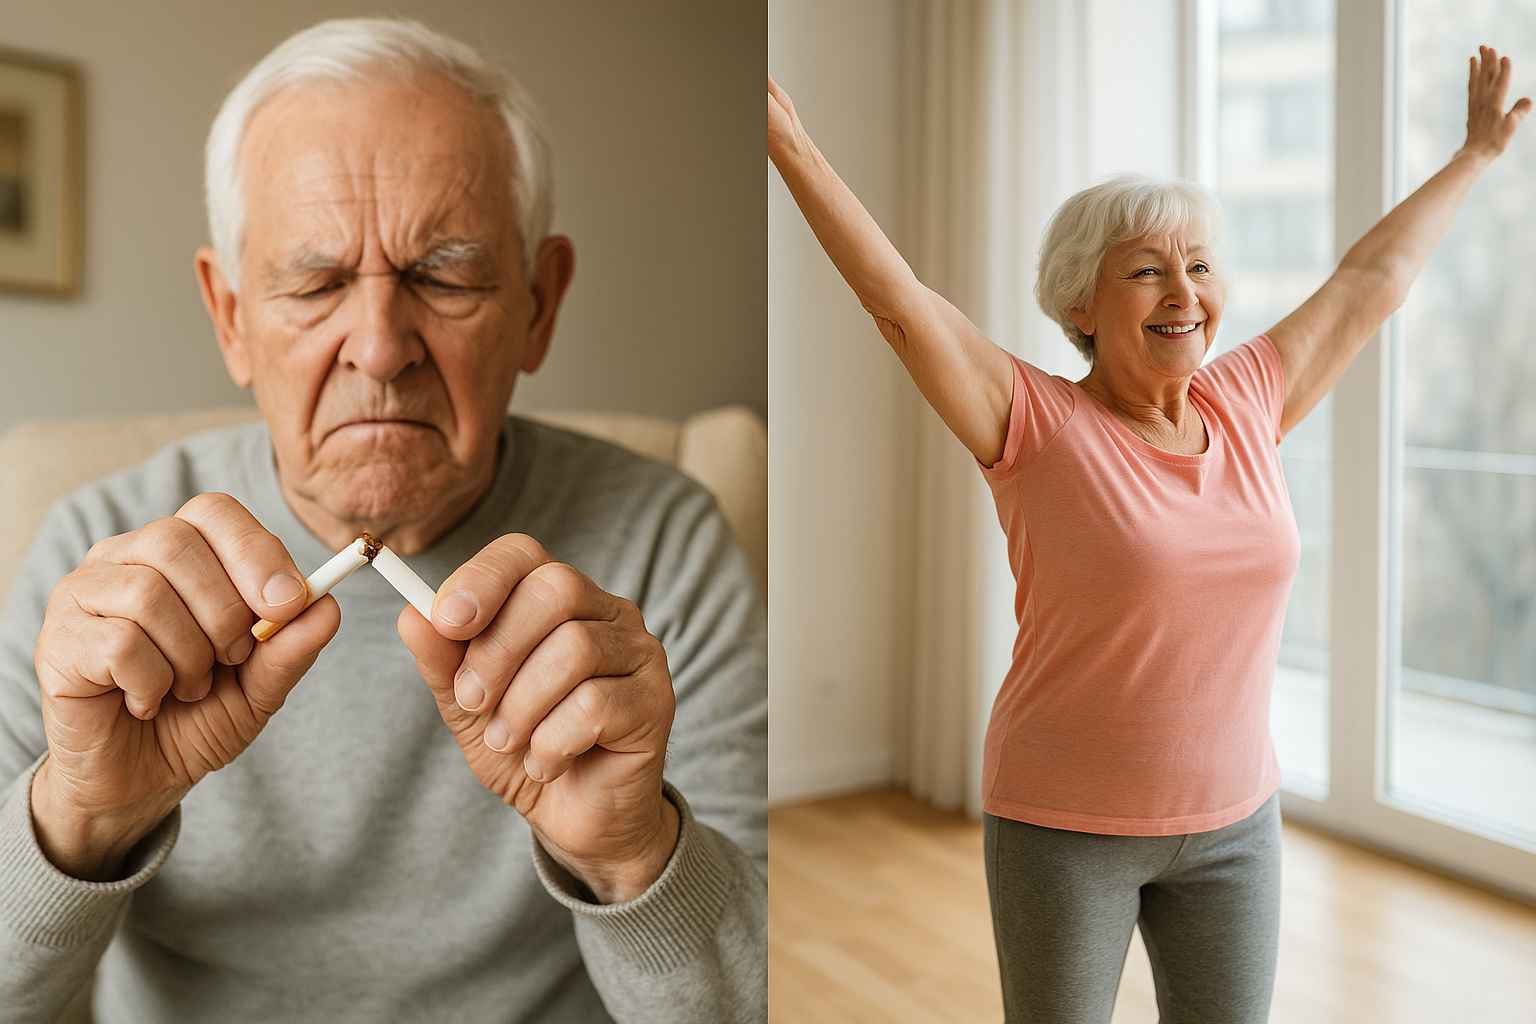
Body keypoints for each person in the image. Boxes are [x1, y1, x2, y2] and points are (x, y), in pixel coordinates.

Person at [0, 18, 766, 1024]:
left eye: (444, 276)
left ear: (540, 303)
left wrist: (632, 857)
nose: (379, 347)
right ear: (230, 315)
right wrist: (82, 819)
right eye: (315, 283)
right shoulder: (98, 555)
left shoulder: (665, 540)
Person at [769, 45, 1527, 1024]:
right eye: (1148, 270)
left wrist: (1472, 155)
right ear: (1081, 303)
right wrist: (790, 144)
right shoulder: (1033, 421)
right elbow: (901, 307)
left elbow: (1369, 280)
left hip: (1236, 827)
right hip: (1061, 824)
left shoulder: (1249, 397)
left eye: (1200, 266)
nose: (1184, 290)